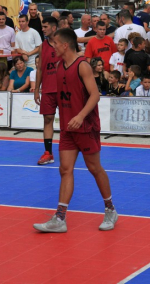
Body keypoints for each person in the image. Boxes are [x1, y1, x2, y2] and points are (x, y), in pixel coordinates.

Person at [33, 28, 117, 233]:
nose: (51, 46)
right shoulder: (60, 66)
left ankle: (110, 210)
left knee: (94, 168)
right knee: (65, 169)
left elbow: (95, 95)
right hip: (68, 128)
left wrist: (80, 116)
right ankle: (60, 218)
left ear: (65, 45)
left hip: (86, 125)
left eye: (55, 43)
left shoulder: (83, 66)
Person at [34, 17, 59, 165]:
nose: (42, 29)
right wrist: (37, 89)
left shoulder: (64, 43)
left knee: (69, 121)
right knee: (48, 119)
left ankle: (70, 150)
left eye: (45, 27)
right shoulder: (43, 45)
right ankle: (48, 153)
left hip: (64, 89)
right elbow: (40, 69)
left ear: (54, 28)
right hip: (48, 89)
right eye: (42, 27)